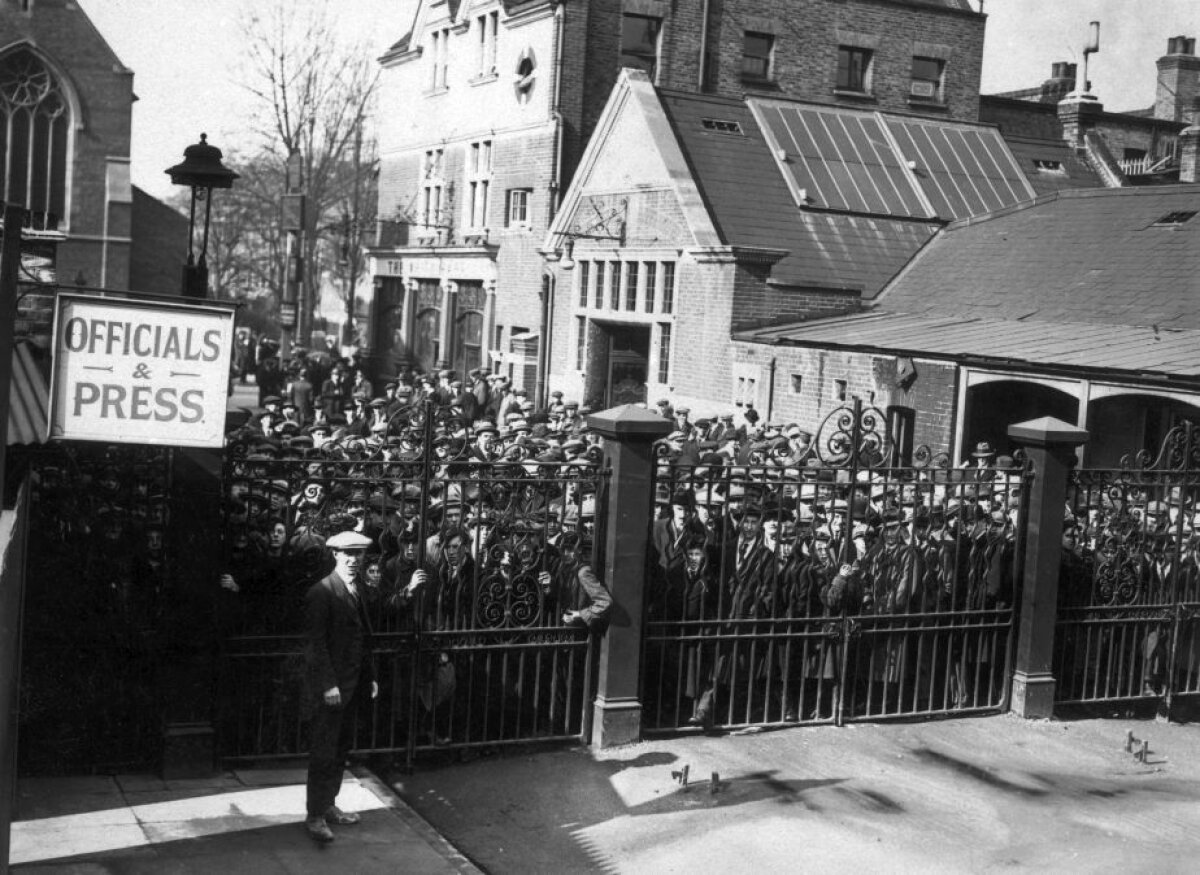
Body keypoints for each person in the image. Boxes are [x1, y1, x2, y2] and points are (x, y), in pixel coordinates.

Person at [303, 530, 378, 844]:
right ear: (335, 555)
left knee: (340, 749)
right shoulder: (322, 592)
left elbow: (363, 639)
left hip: (352, 685)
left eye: (358, 555)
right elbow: (315, 645)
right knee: (324, 751)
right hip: (332, 689)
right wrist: (328, 685)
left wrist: (371, 676)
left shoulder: (355, 589)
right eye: (347, 554)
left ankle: (328, 805)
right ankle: (315, 815)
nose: (353, 560)